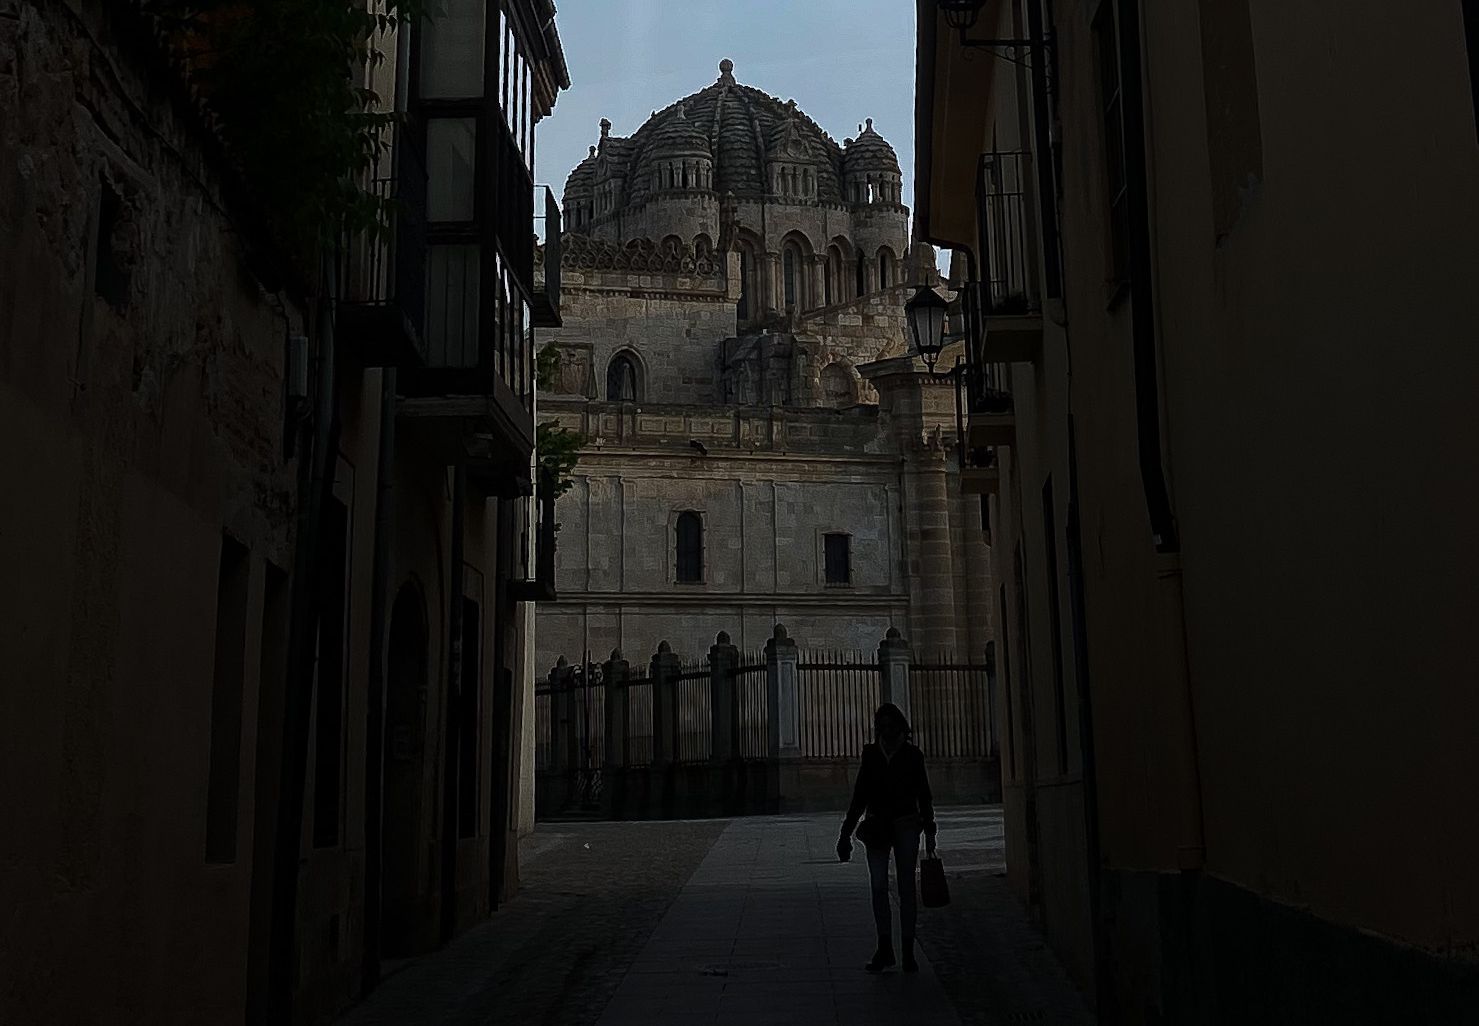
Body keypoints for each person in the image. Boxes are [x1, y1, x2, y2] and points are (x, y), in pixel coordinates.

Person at [837, 703, 937, 973]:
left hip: (906, 824)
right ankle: (885, 946)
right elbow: (860, 795)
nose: (888, 732)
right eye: (883, 727)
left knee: (906, 888)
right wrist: (845, 833)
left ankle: (907, 949)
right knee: (879, 886)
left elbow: (923, 794)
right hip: (878, 826)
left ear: (901, 728)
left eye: (892, 727)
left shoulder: (913, 755)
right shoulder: (871, 754)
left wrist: (929, 829)